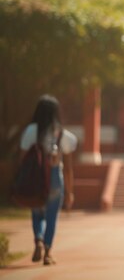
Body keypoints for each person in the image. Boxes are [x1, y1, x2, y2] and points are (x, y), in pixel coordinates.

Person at [19, 94, 77, 266]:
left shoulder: (31, 131)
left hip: (35, 177)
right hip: (54, 177)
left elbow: (22, 158)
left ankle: (37, 239)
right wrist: (69, 191)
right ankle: (48, 252)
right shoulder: (62, 134)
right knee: (51, 216)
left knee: (37, 212)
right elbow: (68, 167)